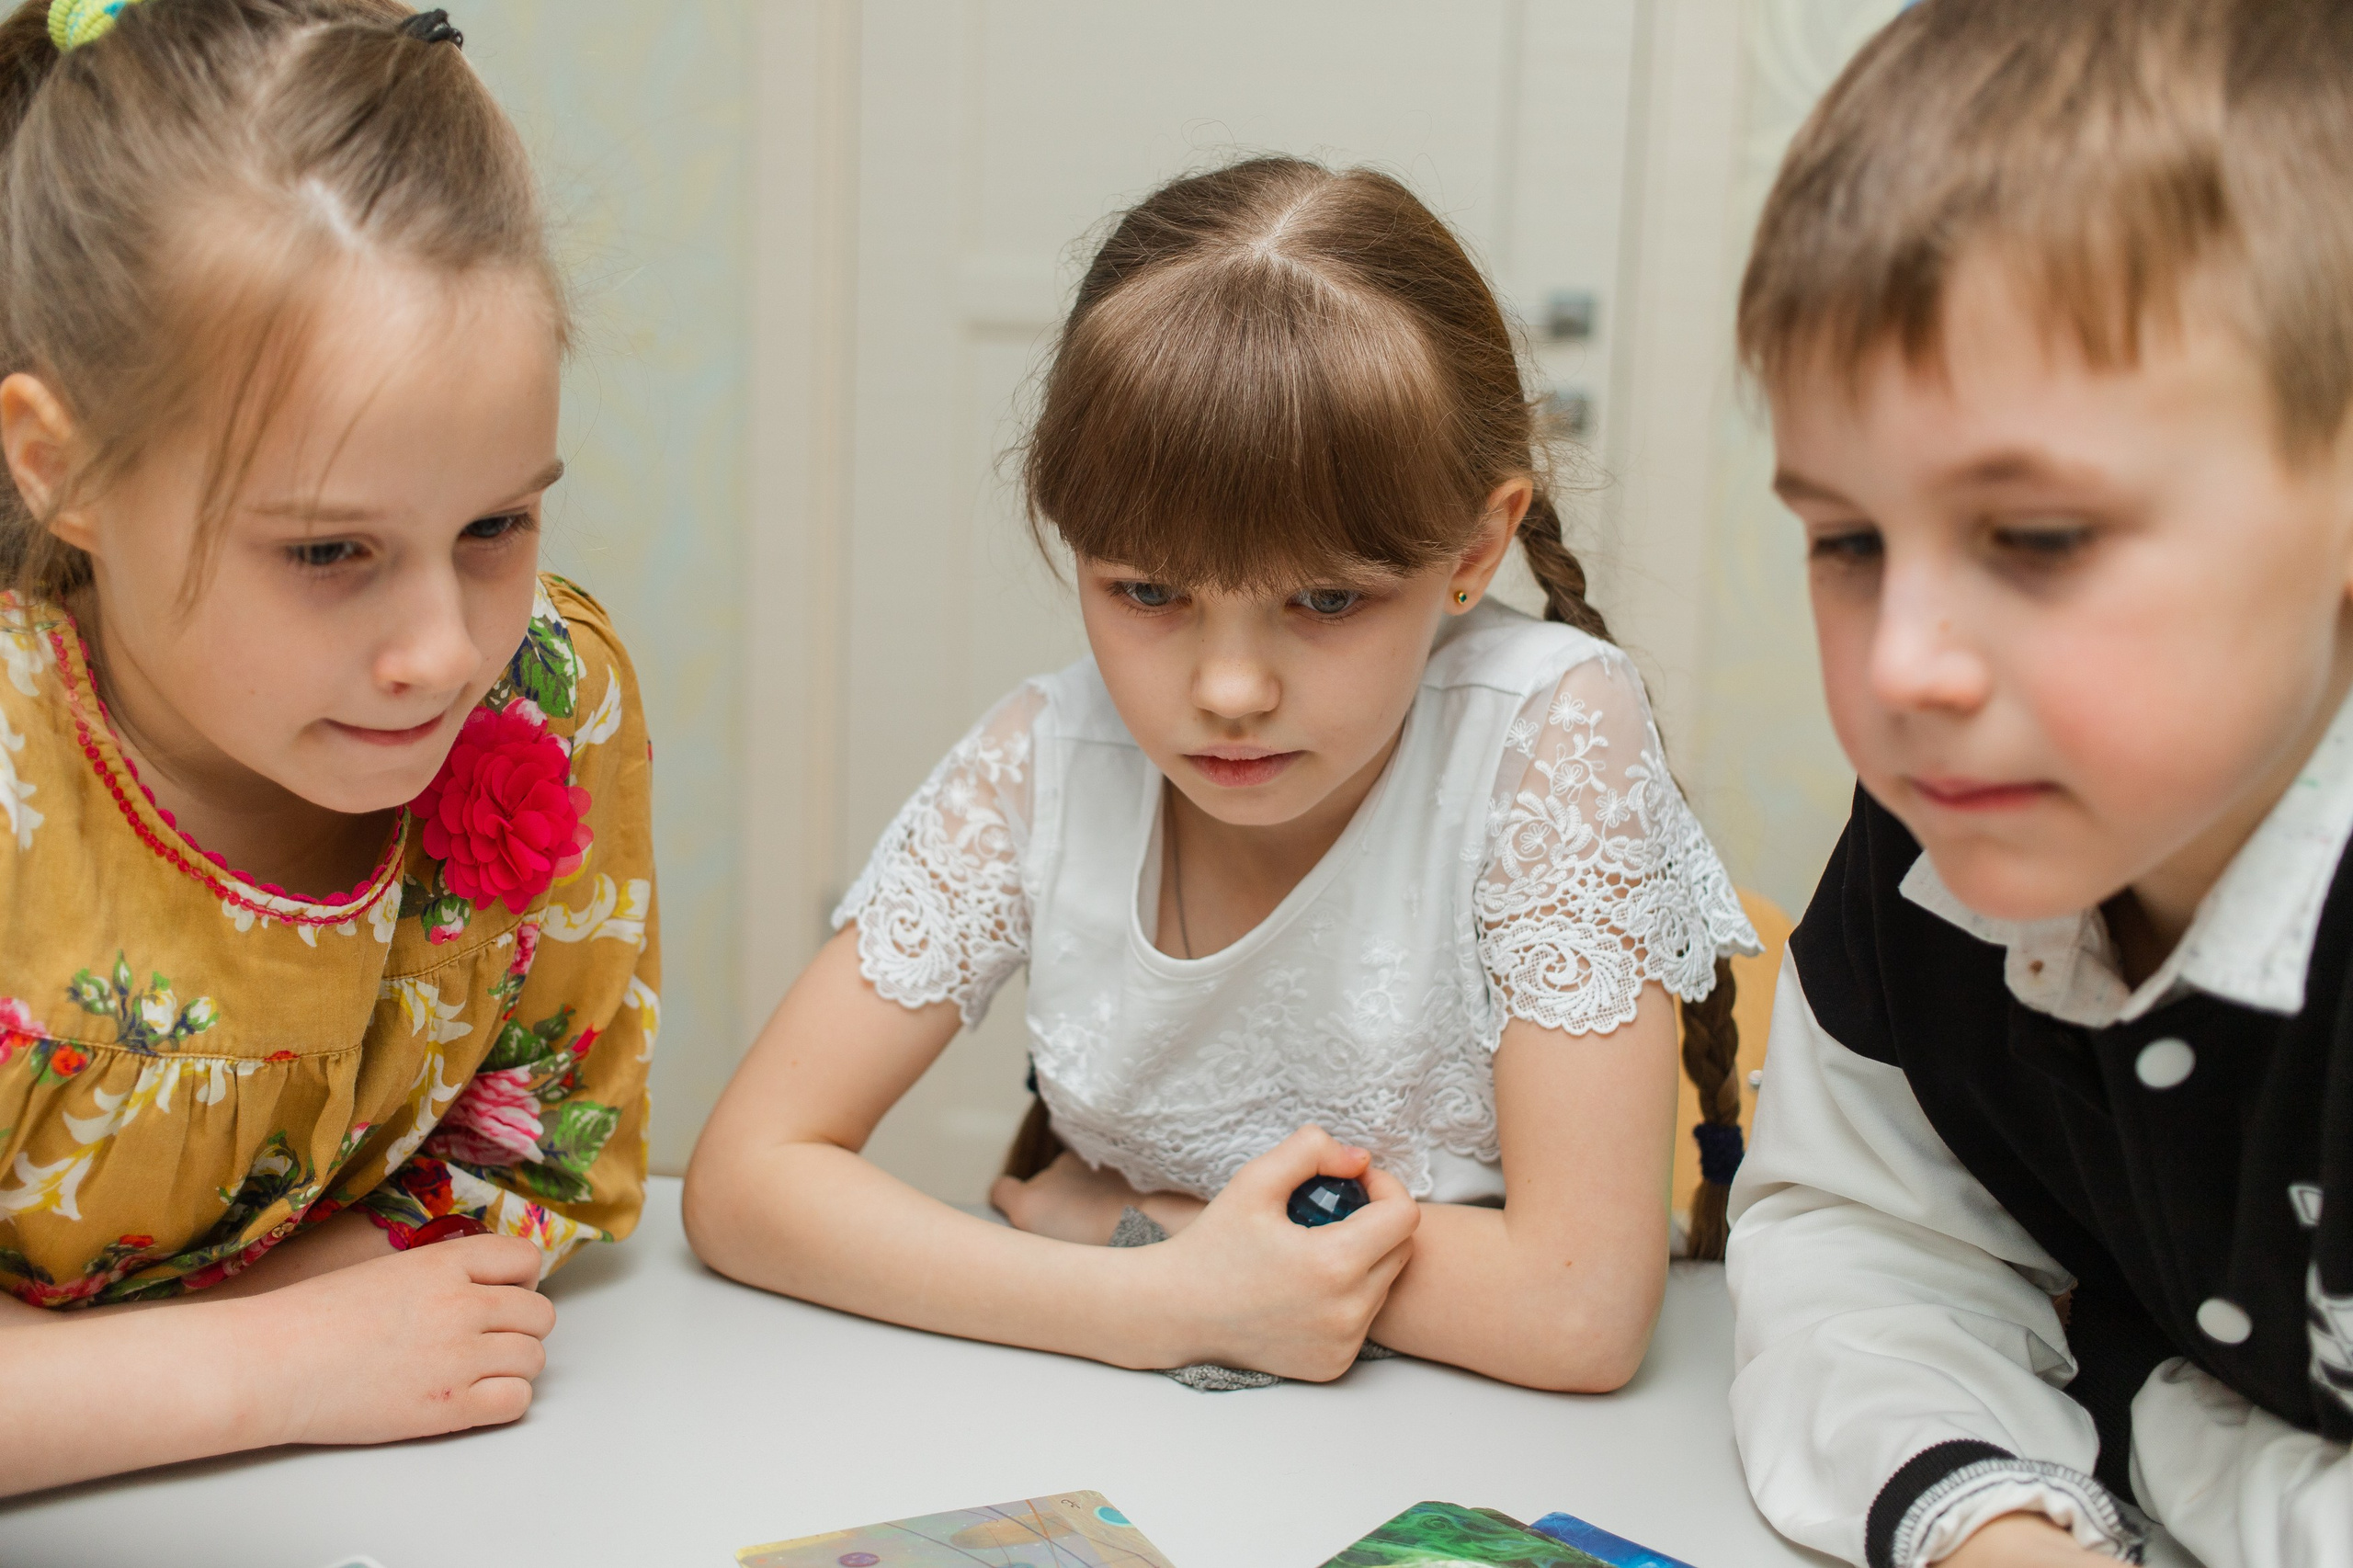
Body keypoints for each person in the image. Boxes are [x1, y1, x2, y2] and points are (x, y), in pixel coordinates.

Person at [687, 156, 1757, 1392]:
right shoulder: (1043, 758)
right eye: (1147, 590)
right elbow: (744, 1178)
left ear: (1476, 546)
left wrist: (1152, 1234)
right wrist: (1145, 1304)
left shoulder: (1549, 729)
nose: (1229, 689)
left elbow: (1577, 1310)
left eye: (1323, 599)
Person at [0, 0, 659, 1494]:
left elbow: (531, 1167)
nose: (442, 648)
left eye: (495, 524)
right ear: (65, 472)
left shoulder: (548, 696)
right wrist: (266, 1364)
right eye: (329, 551)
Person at [1723, 1, 2353, 1564]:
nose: (1904, 670)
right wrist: (1994, 1515)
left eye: (2040, 538)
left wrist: (2153, 1410)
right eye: (1850, 540)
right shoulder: (1945, 832)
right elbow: (1861, 1242)